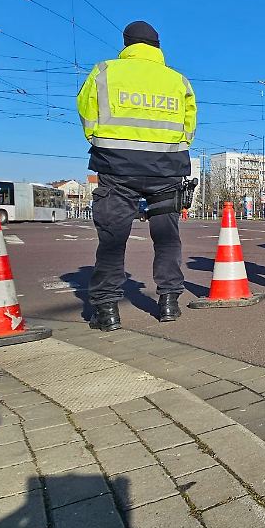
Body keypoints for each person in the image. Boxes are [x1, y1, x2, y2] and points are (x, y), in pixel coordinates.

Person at [76, 21, 197, 331]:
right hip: (166, 169)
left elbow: (87, 112)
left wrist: (104, 142)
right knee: (167, 238)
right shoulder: (178, 81)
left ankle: (107, 310)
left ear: (127, 44)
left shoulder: (105, 71)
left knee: (113, 239)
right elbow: (189, 127)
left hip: (117, 166)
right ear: (157, 46)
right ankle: (169, 302)